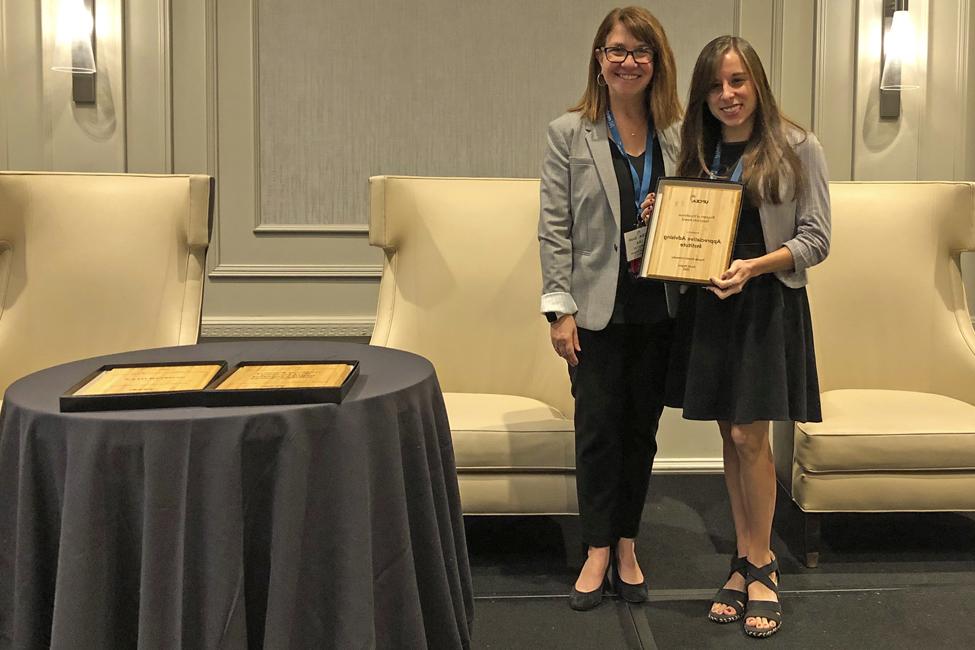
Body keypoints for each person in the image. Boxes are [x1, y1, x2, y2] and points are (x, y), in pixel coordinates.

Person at [650, 35, 830, 637]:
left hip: (765, 306)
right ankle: (743, 557)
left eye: (737, 82)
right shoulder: (694, 149)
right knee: (731, 432)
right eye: (715, 85)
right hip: (711, 307)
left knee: (752, 435)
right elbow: (685, 228)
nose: (727, 96)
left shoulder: (800, 147)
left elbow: (816, 239)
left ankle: (761, 564)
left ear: (757, 83)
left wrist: (754, 266)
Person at [537, 6, 682, 611]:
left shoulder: (677, 136)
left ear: (657, 63)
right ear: (599, 60)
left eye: (640, 51)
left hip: (659, 307)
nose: (628, 61)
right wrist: (558, 309)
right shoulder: (568, 133)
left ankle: (627, 544)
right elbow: (553, 230)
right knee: (597, 431)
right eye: (617, 50)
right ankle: (596, 548)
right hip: (594, 311)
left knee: (641, 432)